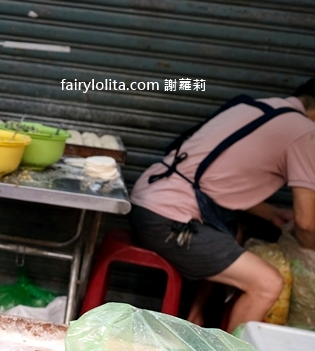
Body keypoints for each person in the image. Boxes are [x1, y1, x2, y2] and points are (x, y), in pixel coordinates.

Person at [129, 77, 315, 330]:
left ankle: (195, 317)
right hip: (170, 220)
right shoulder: (304, 133)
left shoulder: (255, 107)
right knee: (267, 283)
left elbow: (213, 179)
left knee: (234, 232)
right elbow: (306, 224)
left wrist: (271, 213)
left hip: (149, 201)